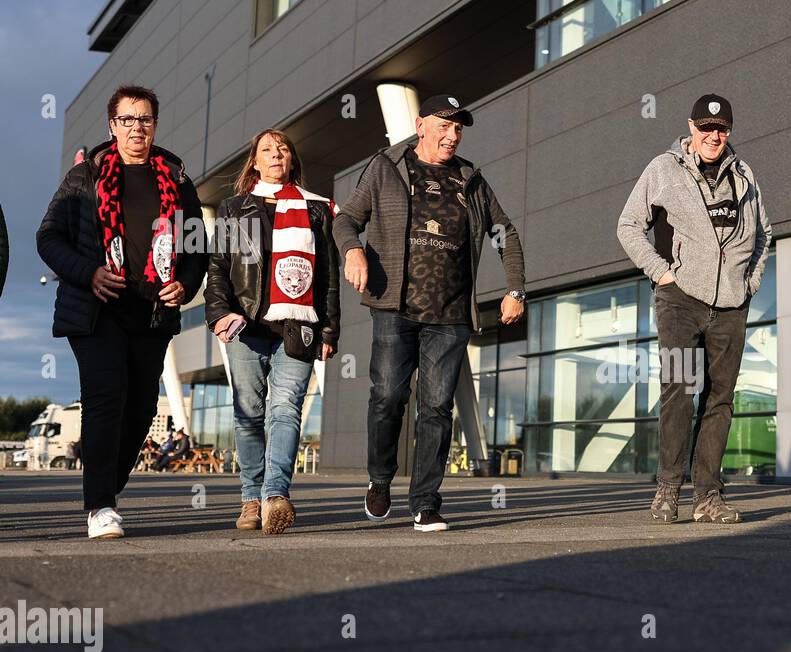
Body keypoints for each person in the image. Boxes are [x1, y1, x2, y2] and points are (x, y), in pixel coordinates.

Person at [334, 94, 526, 532]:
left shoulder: (470, 179)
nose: (452, 134)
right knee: (387, 399)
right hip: (394, 308)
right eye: (445, 125)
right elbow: (345, 219)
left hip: (452, 314)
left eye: (458, 128)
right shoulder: (387, 167)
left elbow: (505, 233)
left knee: (436, 409)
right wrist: (353, 252)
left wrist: (515, 288)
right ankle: (380, 479)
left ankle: (424, 502)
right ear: (421, 125)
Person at [36, 84, 208, 539]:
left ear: (155, 124)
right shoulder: (85, 177)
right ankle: (100, 506)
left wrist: (185, 284)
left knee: (141, 408)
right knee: (106, 397)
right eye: (128, 119)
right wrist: (89, 272)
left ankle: (104, 489)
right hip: (97, 308)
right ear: (112, 126)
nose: (137, 128)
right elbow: (48, 238)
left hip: (152, 312)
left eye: (145, 119)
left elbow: (196, 248)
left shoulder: (176, 179)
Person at [616, 94, 772, 524]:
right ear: (690, 128)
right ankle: (668, 488)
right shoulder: (663, 169)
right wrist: (661, 272)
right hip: (680, 302)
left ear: (729, 132)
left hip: (730, 307)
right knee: (680, 392)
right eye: (705, 128)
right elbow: (628, 225)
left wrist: (749, 282)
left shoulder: (744, 175)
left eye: (721, 129)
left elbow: (764, 233)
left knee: (720, 400)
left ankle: (708, 496)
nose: (713, 136)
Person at [207, 128, 340, 534]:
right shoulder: (235, 207)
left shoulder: (315, 209)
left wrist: (330, 329)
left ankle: (275, 494)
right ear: (255, 162)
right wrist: (218, 314)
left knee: (285, 410)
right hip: (245, 326)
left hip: (297, 325)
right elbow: (219, 265)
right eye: (267, 149)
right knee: (249, 416)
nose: (276, 153)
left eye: (282, 148)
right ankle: (251, 498)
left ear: (291, 159)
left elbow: (328, 274)